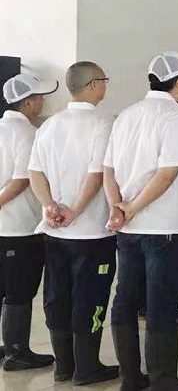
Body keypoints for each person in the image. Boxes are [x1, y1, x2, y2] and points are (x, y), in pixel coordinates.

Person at [104, 51, 178, 391]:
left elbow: (108, 170)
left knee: (126, 300)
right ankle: (163, 380)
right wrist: (131, 207)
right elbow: (167, 174)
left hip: (130, 229)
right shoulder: (176, 117)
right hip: (166, 227)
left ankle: (131, 378)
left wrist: (118, 208)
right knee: (162, 303)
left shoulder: (127, 115)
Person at [27, 63, 119, 384]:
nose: (105, 85)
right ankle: (87, 367)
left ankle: (64, 366)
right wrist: (75, 210)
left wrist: (50, 206)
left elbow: (35, 172)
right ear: (93, 85)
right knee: (90, 296)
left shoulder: (50, 124)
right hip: (91, 233)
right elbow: (97, 173)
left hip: (55, 231)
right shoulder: (103, 123)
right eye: (104, 80)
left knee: (58, 296)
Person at [0, 74, 58, 371]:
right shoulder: (26, 133)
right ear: (27, 103)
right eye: (39, 97)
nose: (42, 102)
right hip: (18, 227)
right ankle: (16, 352)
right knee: (19, 291)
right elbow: (22, 178)